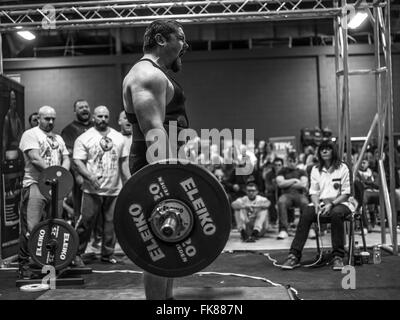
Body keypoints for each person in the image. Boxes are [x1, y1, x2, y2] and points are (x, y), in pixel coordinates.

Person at [122, 19, 189, 300]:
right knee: (157, 241)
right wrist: (170, 177)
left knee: (170, 235)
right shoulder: (146, 76)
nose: (185, 45)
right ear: (161, 40)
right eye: (181, 38)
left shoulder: (157, 74)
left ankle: (167, 302)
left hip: (164, 162)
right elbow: (153, 134)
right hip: (155, 165)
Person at [281, 140, 355, 271]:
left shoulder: (343, 167)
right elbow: (313, 192)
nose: (324, 151)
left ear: (334, 151)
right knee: (307, 212)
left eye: (328, 149)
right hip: (321, 202)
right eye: (322, 149)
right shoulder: (315, 169)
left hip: (341, 203)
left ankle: (337, 256)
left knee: (336, 213)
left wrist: (331, 204)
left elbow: (346, 193)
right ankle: (294, 255)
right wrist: (315, 204)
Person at [72, 106, 130, 266]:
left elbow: (123, 162)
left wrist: (129, 181)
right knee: (86, 222)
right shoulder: (84, 138)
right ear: (93, 117)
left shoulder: (119, 138)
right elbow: (77, 161)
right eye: (99, 116)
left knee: (111, 224)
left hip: (114, 189)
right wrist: (89, 177)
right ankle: (76, 254)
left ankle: (107, 254)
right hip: (92, 190)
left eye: (105, 116)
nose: (103, 119)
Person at [18, 106, 70, 279]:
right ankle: (25, 265)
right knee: (31, 229)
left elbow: (66, 158)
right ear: (38, 118)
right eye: (47, 119)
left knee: (55, 226)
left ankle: (52, 264)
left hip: (54, 188)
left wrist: (61, 177)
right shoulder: (31, 134)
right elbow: (34, 158)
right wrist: (54, 176)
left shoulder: (58, 138)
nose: (50, 122)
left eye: (53, 119)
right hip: (35, 185)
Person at [61, 100, 93, 227]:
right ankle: (79, 237)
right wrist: (78, 176)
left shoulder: (96, 127)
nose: (84, 109)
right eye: (80, 107)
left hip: (98, 175)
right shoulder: (69, 130)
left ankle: (96, 238)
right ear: (75, 111)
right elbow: (70, 156)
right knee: (80, 208)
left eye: (86, 106)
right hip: (80, 176)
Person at [276, 151, 309, 239]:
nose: (292, 163)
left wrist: (287, 183)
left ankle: (308, 229)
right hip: (286, 195)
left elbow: (303, 184)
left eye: (294, 161)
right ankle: (283, 230)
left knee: (305, 202)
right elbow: (280, 184)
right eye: (290, 161)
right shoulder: (282, 171)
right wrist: (294, 180)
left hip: (299, 195)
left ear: (297, 161)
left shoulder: (302, 171)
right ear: (287, 161)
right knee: (281, 201)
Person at [2, 90, 24, 157]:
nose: (14, 102)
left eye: (15, 99)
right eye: (12, 99)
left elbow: (21, 134)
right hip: (10, 152)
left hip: (19, 150)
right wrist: (3, 155)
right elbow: (4, 138)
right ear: (9, 101)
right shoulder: (7, 118)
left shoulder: (17, 117)